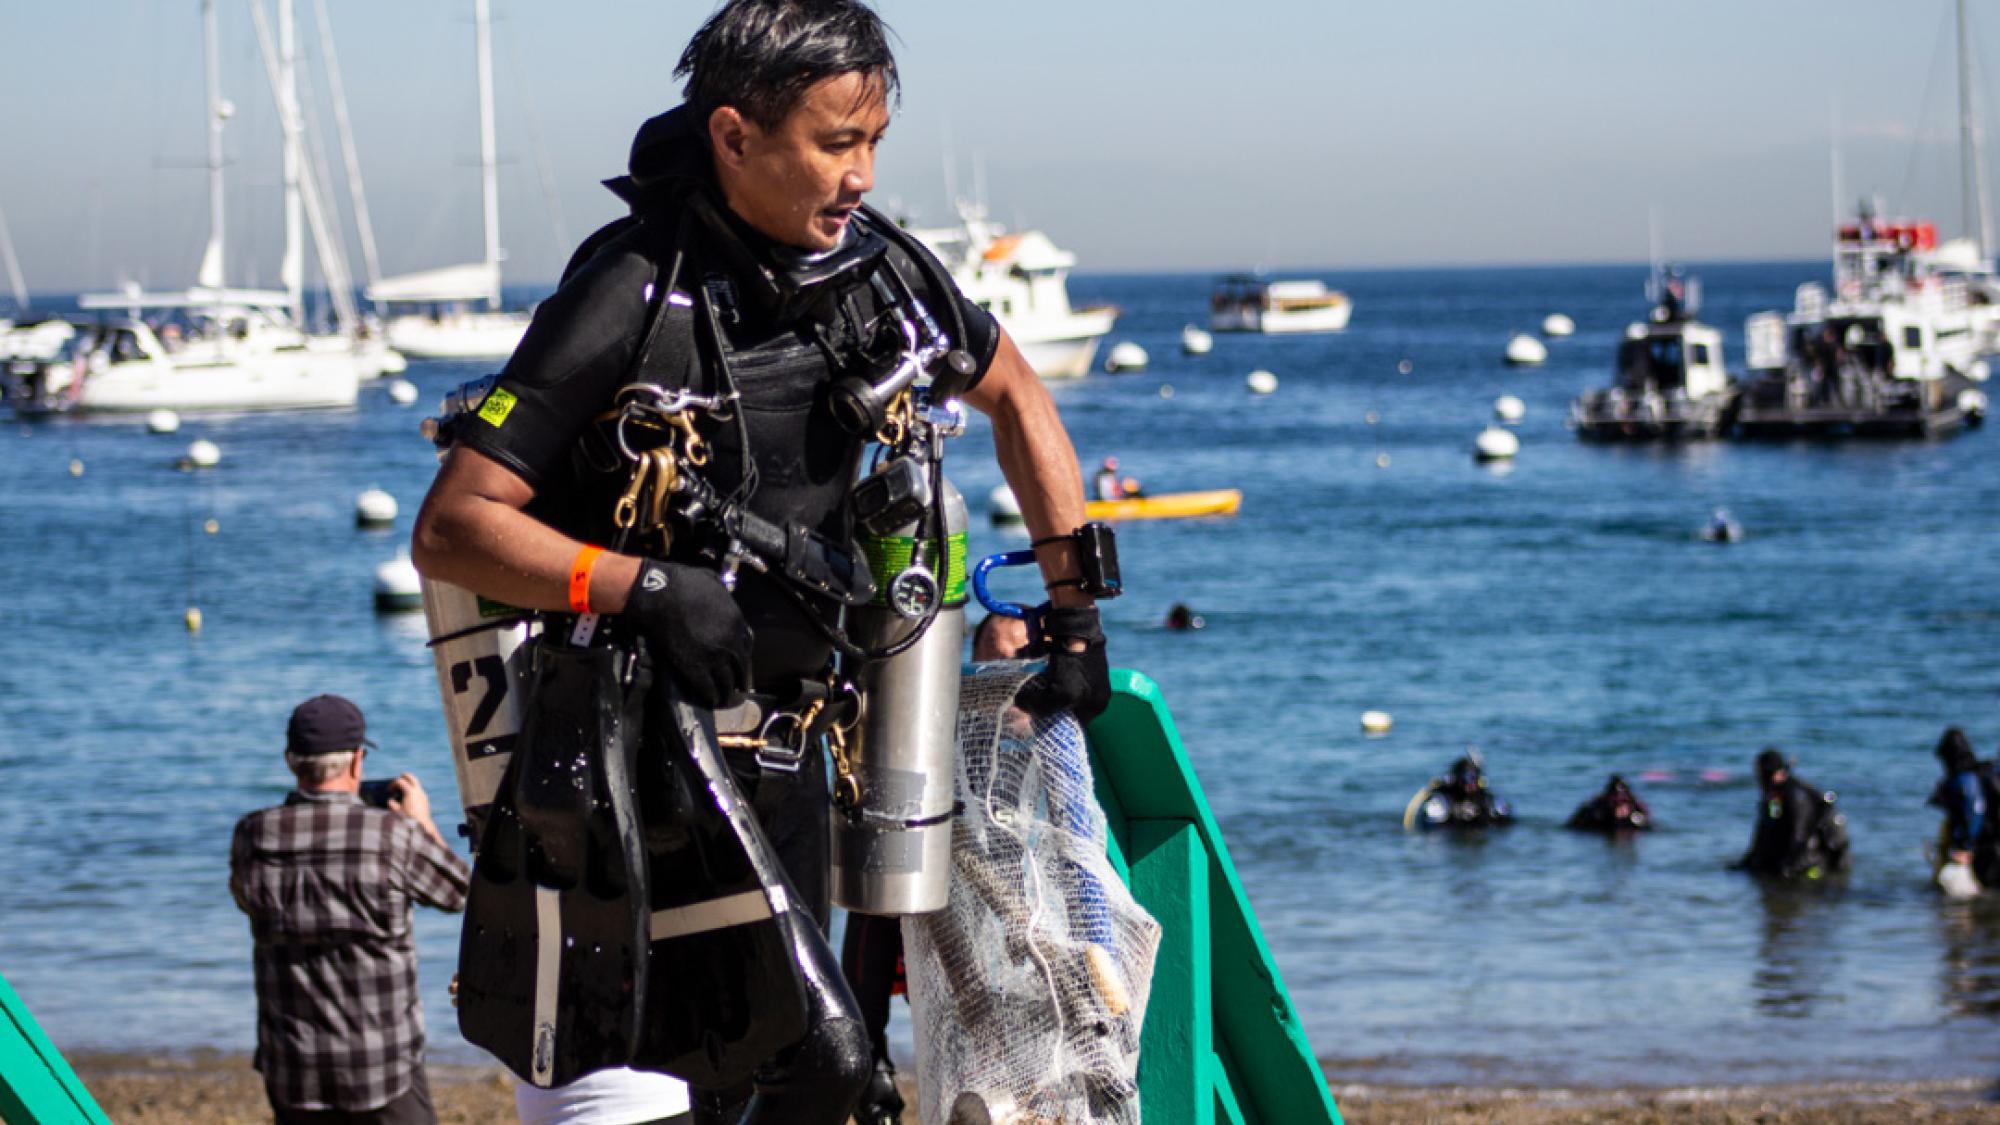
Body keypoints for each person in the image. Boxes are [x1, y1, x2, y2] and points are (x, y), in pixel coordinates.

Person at [411, 4, 1111, 1121]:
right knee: (801, 1074)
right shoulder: (631, 292)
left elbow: (1018, 394)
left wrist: (1075, 615)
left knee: (814, 1080)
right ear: (734, 137)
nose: (860, 176)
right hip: (650, 774)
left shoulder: (887, 275)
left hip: (813, 754)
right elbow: (453, 526)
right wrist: (637, 584)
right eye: (836, 144)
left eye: (874, 142)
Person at [229, 695, 470, 1125]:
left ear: (290, 761)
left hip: (293, 1068)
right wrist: (424, 827)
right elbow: (461, 893)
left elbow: (244, 897)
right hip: (382, 1066)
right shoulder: (392, 836)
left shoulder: (252, 836)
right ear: (358, 762)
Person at [841, 609, 1035, 1123]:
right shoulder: (944, 729)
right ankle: (871, 1063)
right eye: (989, 660)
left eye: (1015, 662)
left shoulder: (1052, 743)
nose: (1000, 676)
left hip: (1011, 934)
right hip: (932, 921)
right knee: (883, 889)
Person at [1736, 748, 1848, 880]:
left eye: (1764, 775)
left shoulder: (1796, 796)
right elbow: (1763, 834)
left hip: (1810, 863)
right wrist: (1747, 863)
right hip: (1789, 857)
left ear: (1777, 773)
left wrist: (1785, 869)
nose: (1761, 781)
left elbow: (1799, 836)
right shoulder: (1773, 798)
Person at [1929, 727, 1988, 895]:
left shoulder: (1965, 780)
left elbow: (1975, 811)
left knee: (1960, 904)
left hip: (1969, 851)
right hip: (1978, 847)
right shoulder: (1974, 775)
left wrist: (1965, 847)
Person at [1565, 774, 1652, 834]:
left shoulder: (1637, 811)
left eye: (1622, 801)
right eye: (1615, 800)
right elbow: (1572, 827)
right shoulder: (1594, 810)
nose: (1619, 805)